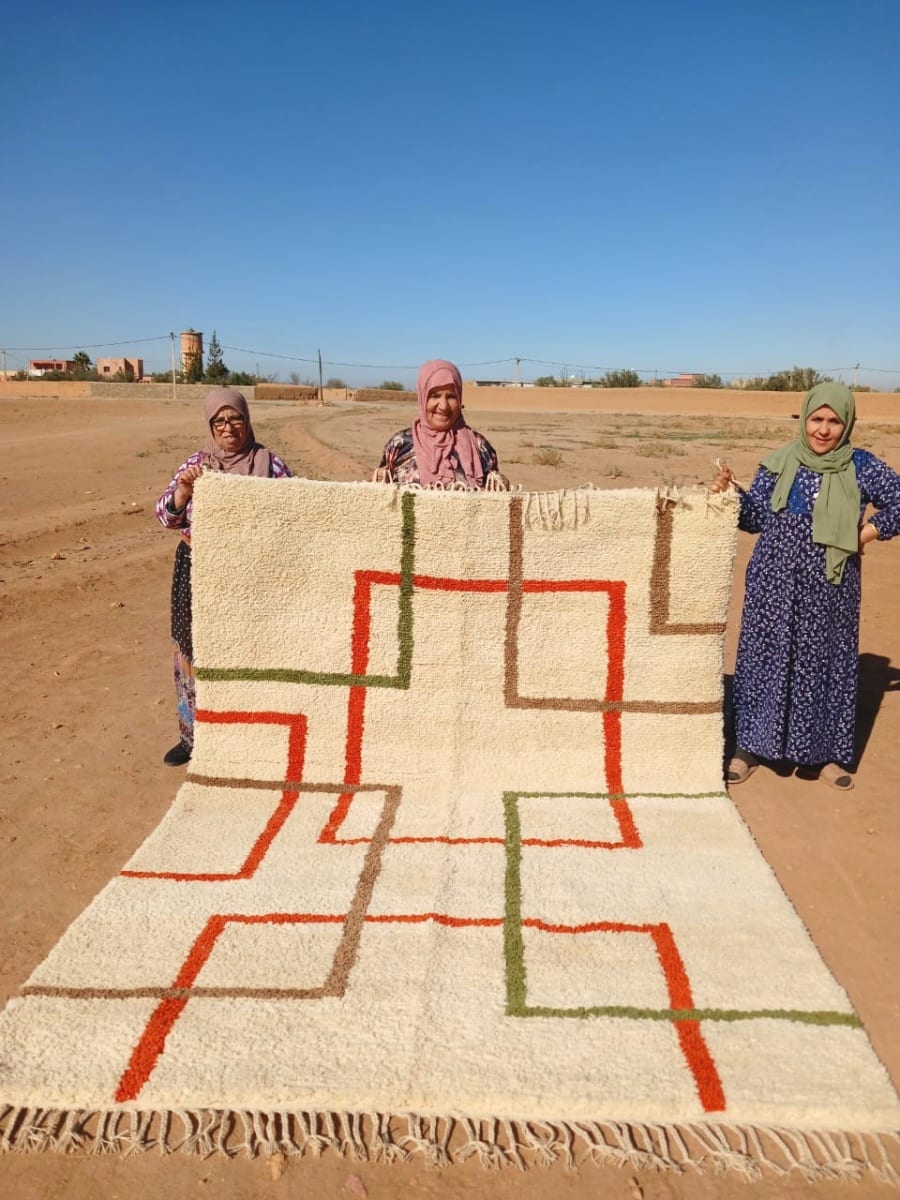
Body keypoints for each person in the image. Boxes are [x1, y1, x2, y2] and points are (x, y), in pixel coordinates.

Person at [710, 382, 900, 790]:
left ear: (847, 423)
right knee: (765, 657)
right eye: (817, 419)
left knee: (825, 663)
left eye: (834, 421)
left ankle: (824, 754)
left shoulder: (861, 466)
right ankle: (749, 748)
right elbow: (756, 517)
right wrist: (732, 494)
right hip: (772, 580)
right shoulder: (779, 464)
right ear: (804, 419)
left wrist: (865, 533)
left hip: (832, 585)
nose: (824, 430)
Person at [156, 388, 292, 766]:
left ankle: (249, 735)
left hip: (251, 575)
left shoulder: (271, 465)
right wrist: (183, 491)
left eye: (235, 419)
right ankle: (192, 738)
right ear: (210, 426)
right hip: (196, 569)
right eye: (219, 420)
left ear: (247, 421)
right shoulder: (198, 465)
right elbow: (165, 517)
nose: (228, 427)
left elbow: (295, 514)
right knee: (191, 651)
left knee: (249, 652)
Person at [373, 359, 509, 488]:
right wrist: (378, 480)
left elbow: (494, 499)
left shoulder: (480, 447)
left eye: (451, 396)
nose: (443, 406)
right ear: (422, 398)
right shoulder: (400, 444)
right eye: (434, 396)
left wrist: (502, 485)